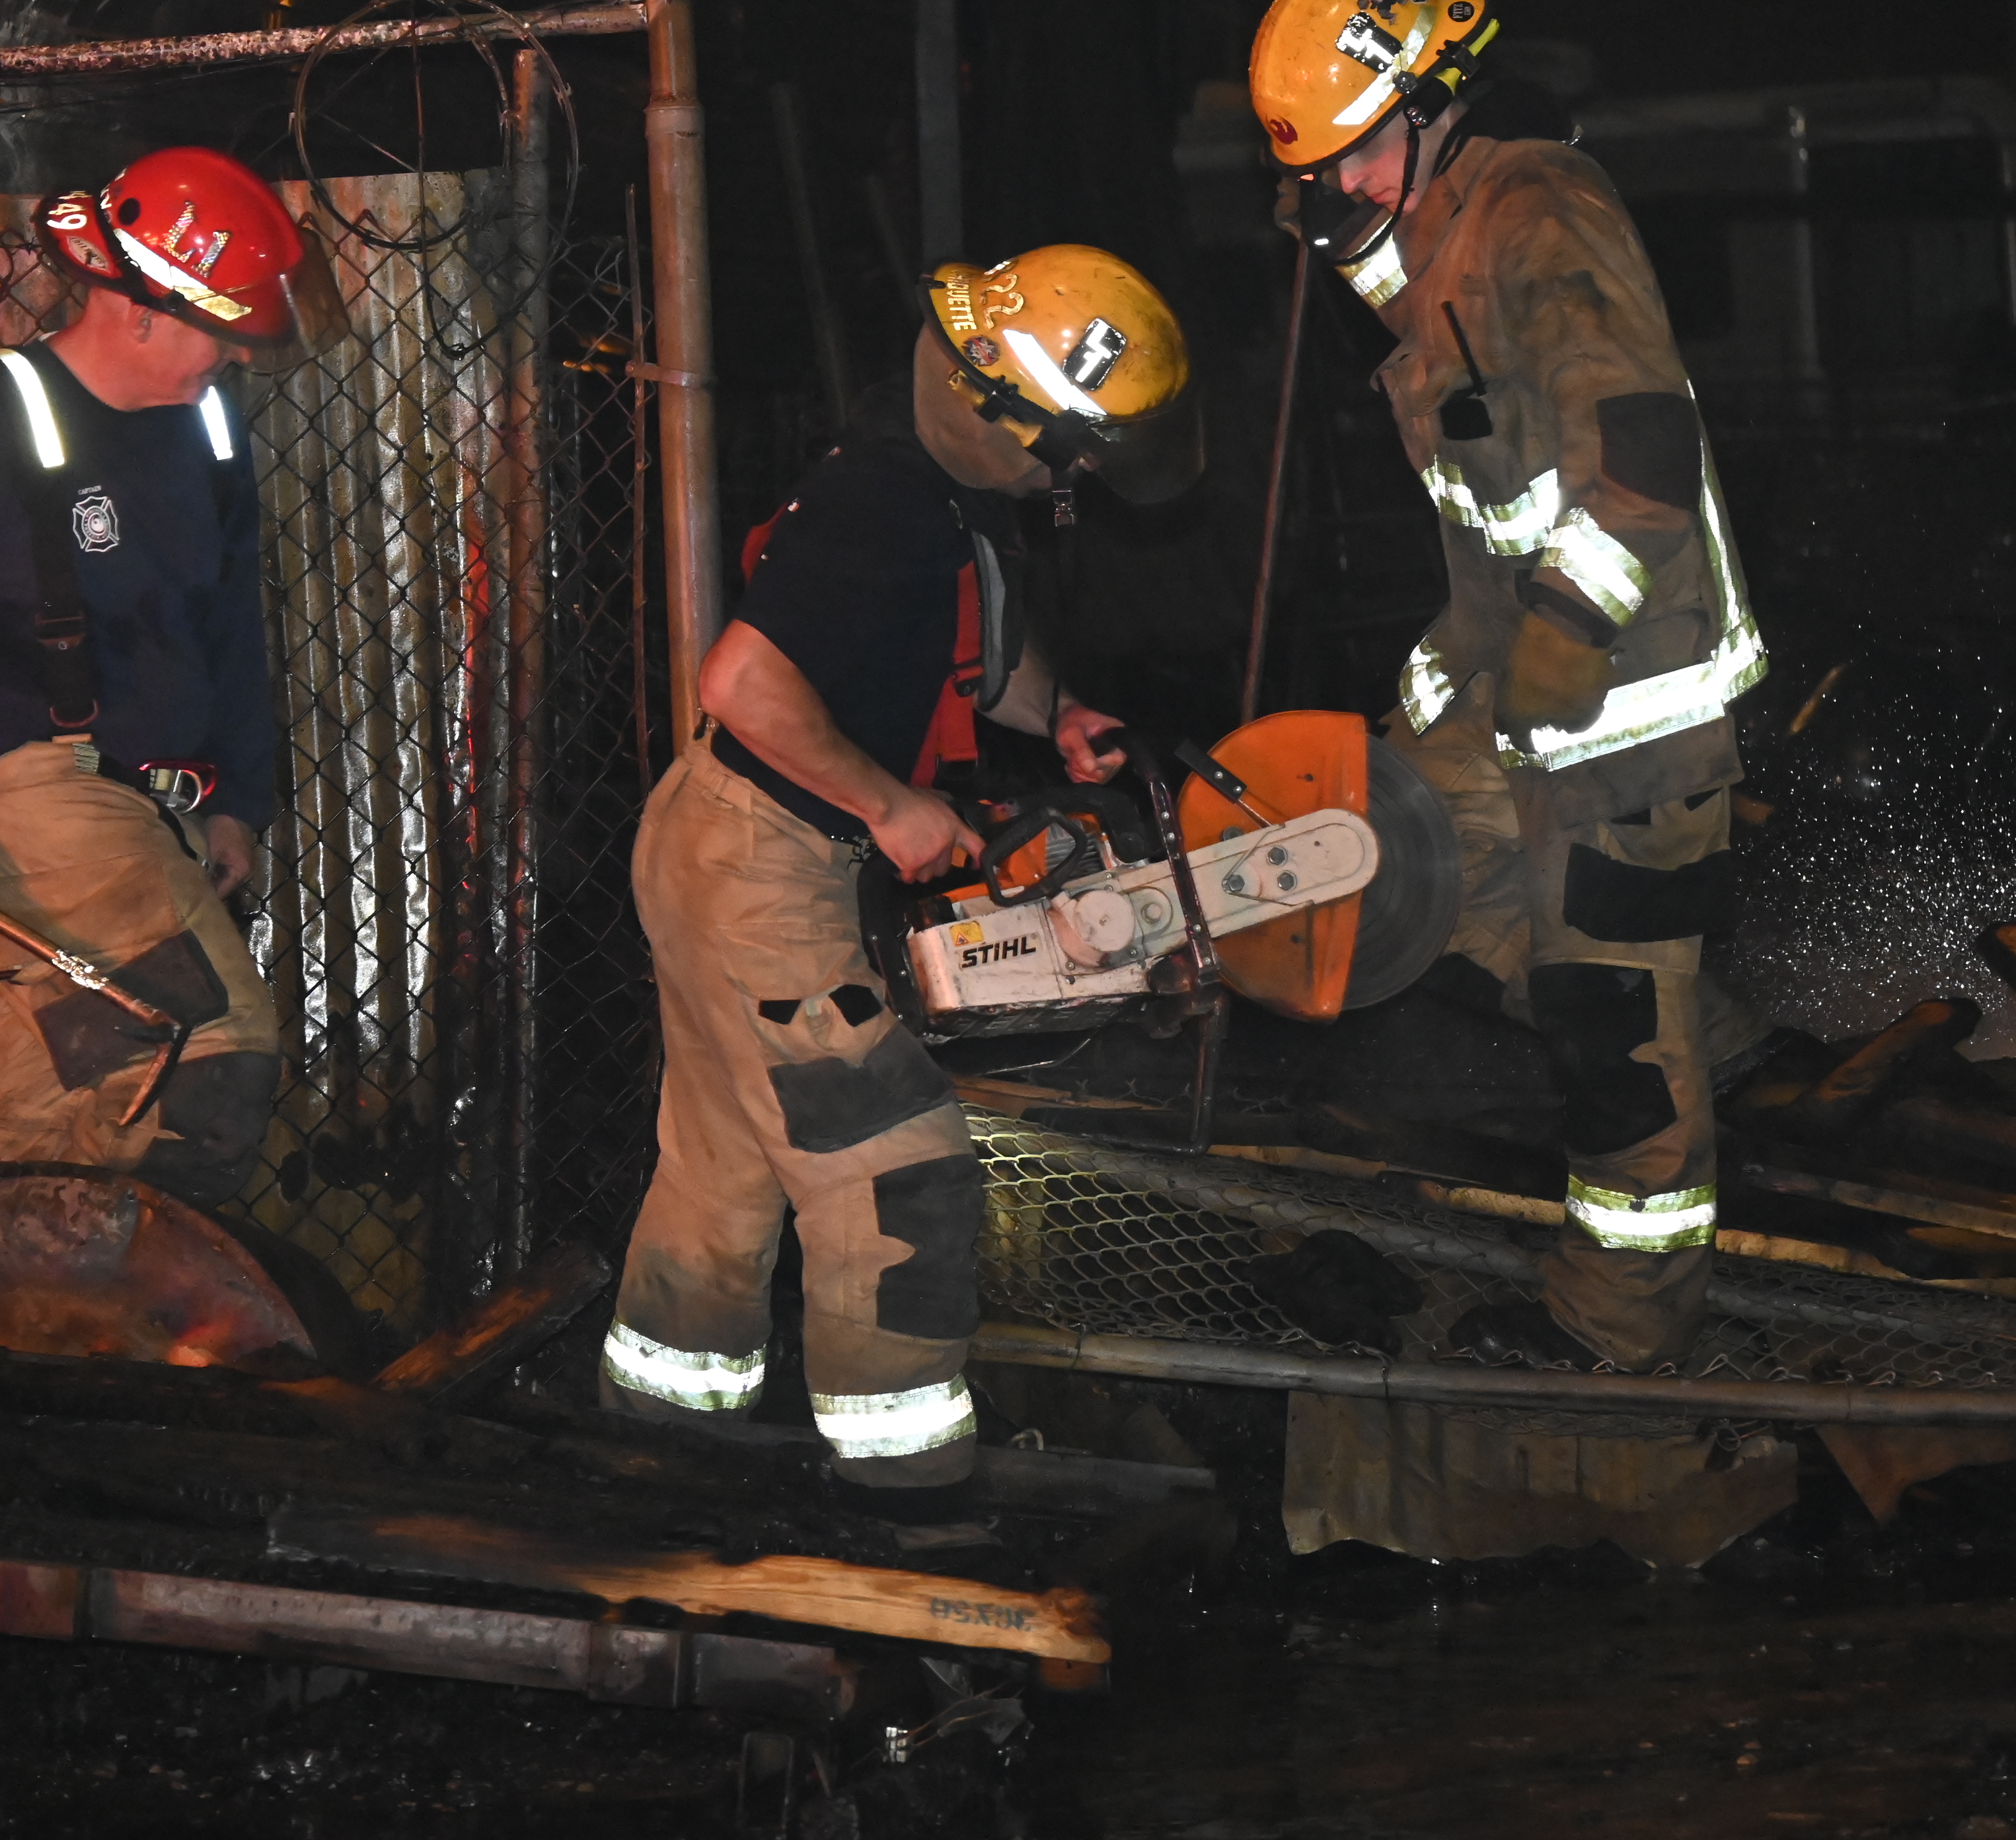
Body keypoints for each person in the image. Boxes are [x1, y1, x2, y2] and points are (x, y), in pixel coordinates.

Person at [601, 247, 1203, 1521]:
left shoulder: (940, 481)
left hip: (732, 847)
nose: (1075, 480)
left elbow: (978, 639)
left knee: (724, 1167)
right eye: (1073, 454)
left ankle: (660, 1450)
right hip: (760, 863)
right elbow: (741, 684)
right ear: (1011, 414)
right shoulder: (883, 499)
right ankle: (904, 1492)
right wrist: (891, 804)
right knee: (899, 1171)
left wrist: (1059, 713)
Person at [1250, 1, 1772, 1372]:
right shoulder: (1436, 244)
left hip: (1633, 698)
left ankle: (1621, 1325)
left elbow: (1644, 453)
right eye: (1316, 170)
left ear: (1433, 103)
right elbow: (1492, 510)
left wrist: (1566, 632)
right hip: (1517, 691)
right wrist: (1447, 681)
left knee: (1611, 1026)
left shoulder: (1539, 208)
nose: (1341, 187)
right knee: (1385, 865)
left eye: (1356, 154)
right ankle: (1720, 1041)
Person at [0, 147, 345, 1209]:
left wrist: (238, 802)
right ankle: (129, 1293)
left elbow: (228, 627)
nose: (232, 359)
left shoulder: (208, 427)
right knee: (209, 1041)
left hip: (147, 801)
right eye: (221, 331)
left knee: (66, 1098)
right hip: (27, 785)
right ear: (138, 308)